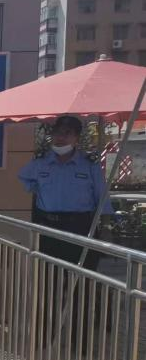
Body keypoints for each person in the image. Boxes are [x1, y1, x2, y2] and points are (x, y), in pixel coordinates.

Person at [18, 114, 114, 270]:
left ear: (77, 138)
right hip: (48, 227)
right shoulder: (41, 162)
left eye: (67, 133)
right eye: (57, 133)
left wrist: (106, 227)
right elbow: (25, 179)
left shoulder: (89, 164)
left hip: (80, 227)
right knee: (48, 275)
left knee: (82, 275)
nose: (61, 137)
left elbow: (101, 197)